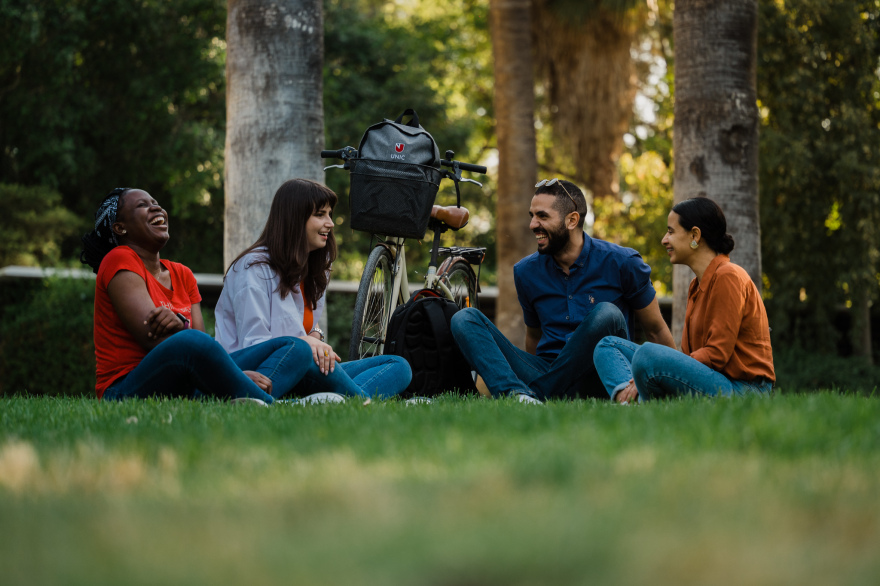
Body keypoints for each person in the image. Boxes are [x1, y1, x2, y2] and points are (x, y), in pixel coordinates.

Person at [81, 188, 317, 405]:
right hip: (127, 388)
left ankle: (240, 397)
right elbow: (151, 336)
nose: (156, 208)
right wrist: (189, 335)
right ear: (121, 228)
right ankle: (273, 406)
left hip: (184, 381)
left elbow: (202, 348)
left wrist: (226, 375)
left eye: (156, 203)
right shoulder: (119, 259)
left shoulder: (182, 274)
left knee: (295, 347)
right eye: (142, 205)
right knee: (193, 342)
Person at [451, 178, 675, 403]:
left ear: (572, 220)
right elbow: (534, 337)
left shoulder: (623, 262)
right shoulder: (525, 272)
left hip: (601, 375)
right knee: (464, 318)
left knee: (607, 314)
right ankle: (517, 394)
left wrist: (675, 382)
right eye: (532, 216)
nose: (533, 225)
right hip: (547, 368)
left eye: (542, 216)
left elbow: (655, 330)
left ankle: (536, 393)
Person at [214, 178, 411, 400]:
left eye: (329, 214)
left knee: (397, 365)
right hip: (262, 371)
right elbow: (255, 345)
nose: (331, 223)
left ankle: (324, 401)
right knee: (302, 354)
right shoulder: (252, 269)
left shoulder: (314, 268)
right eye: (320, 215)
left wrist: (315, 337)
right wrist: (305, 344)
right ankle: (359, 401)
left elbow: (302, 324)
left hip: (304, 367)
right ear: (294, 219)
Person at [593, 197, 775, 402]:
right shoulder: (696, 285)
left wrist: (658, 362)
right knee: (607, 346)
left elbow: (717, 354)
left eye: (671, 231)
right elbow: (692, 357)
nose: (664, 239)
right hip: (711, 380)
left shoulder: (728, 276)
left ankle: (639, 402)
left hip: (743, 390)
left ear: (695, 235)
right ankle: (628, 402)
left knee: (647, 355)